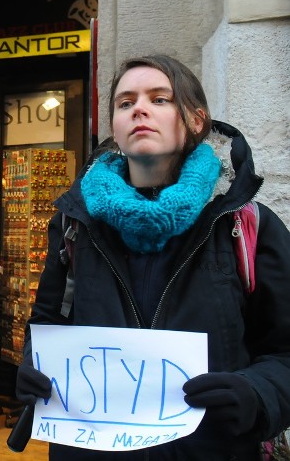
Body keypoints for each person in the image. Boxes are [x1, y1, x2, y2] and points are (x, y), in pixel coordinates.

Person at [15, 55, 290, 459]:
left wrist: (257, 392)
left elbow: (284, 350)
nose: (139, 109)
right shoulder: (74, 224)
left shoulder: (245, 224)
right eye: (125, 103)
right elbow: (48, 323)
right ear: (114, 127)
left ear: (196, 121)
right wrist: (31, 367)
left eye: (160, 99)